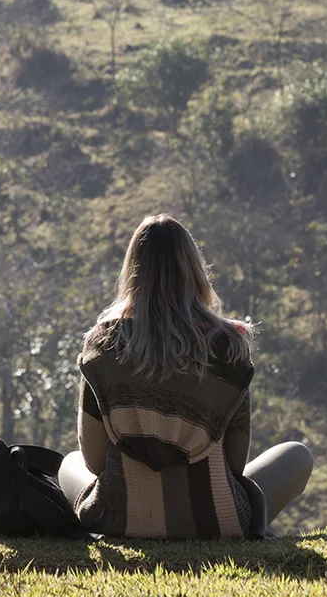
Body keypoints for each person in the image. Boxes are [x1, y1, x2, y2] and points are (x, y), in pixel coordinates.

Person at [58, 214, 313, 539]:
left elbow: (94, 462)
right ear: (194, 269)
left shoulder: (102, 345)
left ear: (133, 272)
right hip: (216, 523)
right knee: (296, 455)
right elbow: (235, 464)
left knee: (70, 462)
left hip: (119, 521)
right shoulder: (228, 345)